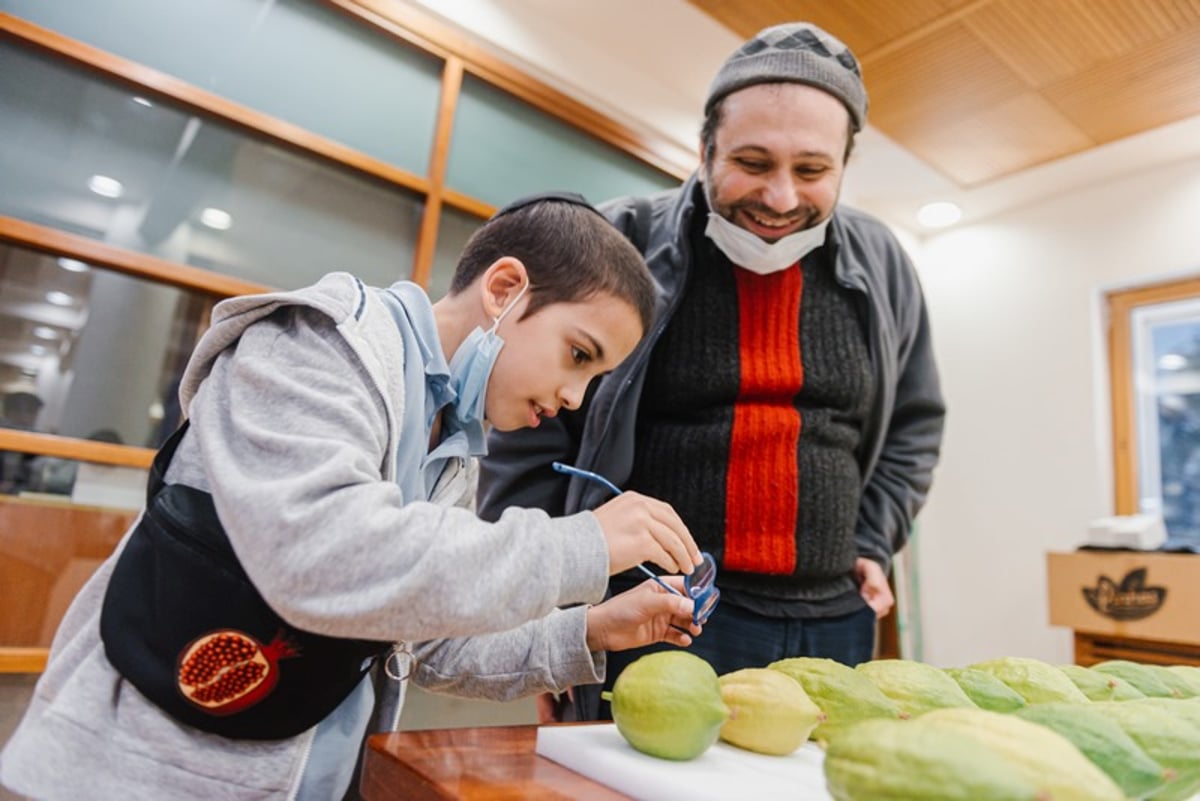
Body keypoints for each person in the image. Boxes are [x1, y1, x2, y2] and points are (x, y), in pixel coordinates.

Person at [0, 193, 705, 801]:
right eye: (578, 355)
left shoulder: (453, 443)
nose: (573, 398)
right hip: (136, 773)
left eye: (596, 378)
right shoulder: (315, 345)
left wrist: (591, 628)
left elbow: (421, 638)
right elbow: (324, 556)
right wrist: (583, 542)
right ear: (504, 289)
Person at [478, 23, 946, 721]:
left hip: (833, 620)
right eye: (753, 163)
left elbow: (913, 424)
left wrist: (873, 538)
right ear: (703, 151)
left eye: (812, 171)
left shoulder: (884, 263)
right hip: (654, 615)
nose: (782, 198)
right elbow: (527, 429)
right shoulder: (623, 241)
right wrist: (547, 609)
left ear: (845, 166)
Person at [0, 390, 45, 494]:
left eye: (33, 413)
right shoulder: (7, 433)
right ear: (10, 412)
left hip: (21, 494)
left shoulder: (36, 438)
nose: (29, 417)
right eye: (29, 412)